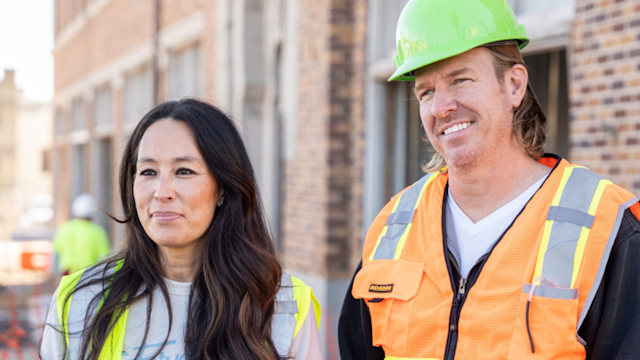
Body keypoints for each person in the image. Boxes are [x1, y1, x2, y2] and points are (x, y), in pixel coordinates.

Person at [338, 1, 640, 359]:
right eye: (426, 92)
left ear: (513, 85)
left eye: (460, 80)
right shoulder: (392, 227)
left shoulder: (608, 229)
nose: (441, 107)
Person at [41, 99, 322, 359]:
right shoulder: (80, 301)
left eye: (184, 171)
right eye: (148, 172)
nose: (162, 192)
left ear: (223, 187)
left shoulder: (283, 305)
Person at [53, 193, 111, 275]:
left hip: (67, 274)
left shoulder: (65, 228)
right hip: (89, 275)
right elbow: (104, 258)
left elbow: (56, 253)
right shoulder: (97, 232)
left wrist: (55, 273)